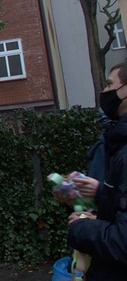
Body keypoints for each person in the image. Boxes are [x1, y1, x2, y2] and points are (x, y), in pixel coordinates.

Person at [67, 60, 127, 279]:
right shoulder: (116, 142)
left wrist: (81, 228)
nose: (105, 91)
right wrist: (101, 193)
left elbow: (123, 244)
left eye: (110, 84)